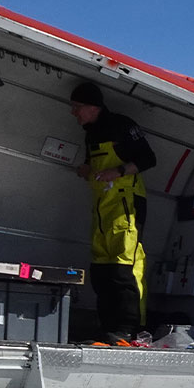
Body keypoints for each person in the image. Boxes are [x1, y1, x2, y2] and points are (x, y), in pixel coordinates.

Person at [70, 81, 158, 345]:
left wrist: (117, 172)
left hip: (126, 203)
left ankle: (128, 329)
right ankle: (107, 328)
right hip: (102, 206)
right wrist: (86, 169)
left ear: (92, 106)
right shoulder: (90, 133)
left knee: (124, 268)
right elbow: (93, 164)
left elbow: (148, 159)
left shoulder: (121, 125)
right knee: (101, 269)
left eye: (77, 107)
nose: (73, 113)